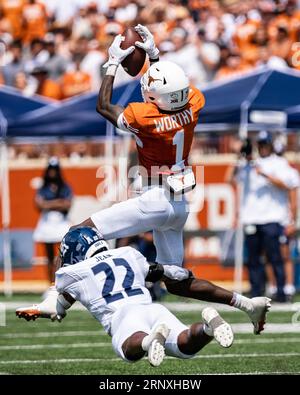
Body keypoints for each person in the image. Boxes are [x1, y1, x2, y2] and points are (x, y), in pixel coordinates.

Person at [17, 25, 271, 334]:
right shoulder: (194, 103)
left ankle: (55, 300)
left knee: (78, 233)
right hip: (178, 206)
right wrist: (154, 55)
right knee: (178, 281)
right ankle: (247, 304)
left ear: (155, 95)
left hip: (154, 199)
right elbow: (171, 90)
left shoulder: (145, 117)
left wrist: (112, 63)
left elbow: (103, 106)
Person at [17, 226, 234, 367]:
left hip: (124, 316)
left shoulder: (73, 273)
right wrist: (184, 273)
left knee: (129, 351)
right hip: (152, 307)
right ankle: (207, 327)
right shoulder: (128, 253)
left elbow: (56, 305)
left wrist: (37, 309)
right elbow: (166, 271)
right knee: (185, 344)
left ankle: (149, 340)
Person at [228, 131, 298, 302]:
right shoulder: (248, 164)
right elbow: (230, 179)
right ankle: (256, 292)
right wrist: (239, 156)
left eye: (265, 144)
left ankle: (281, 292)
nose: (263, 147)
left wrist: (265, 174)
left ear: (270, 145)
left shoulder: (279, 163)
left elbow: (288, 185)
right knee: (253, 259)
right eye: (260, 144)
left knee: (276, 257)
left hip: (272, 217)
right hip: (251, 218)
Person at [33, 157, 73, 282]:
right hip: (47, 222)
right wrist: (58, 202)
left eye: (55, 170)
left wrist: (48, 203)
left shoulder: (65, 187)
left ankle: (61, 283)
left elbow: (67, 204)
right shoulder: (43, 187)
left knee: (63, 254)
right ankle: (50, 284)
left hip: (61, 222)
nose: (52, 172)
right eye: (50, 169)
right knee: (49, 256)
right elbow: (39, 205)